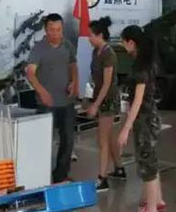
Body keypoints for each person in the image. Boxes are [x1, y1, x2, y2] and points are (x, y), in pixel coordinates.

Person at [118, 25, 165, 212]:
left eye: (123, 41)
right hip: (150, 116)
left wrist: (126, 128)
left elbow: (137, 100)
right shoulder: (147, 61)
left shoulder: (140, 66)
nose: (122, 45)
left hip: (144, 119)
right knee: (150, 160)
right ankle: (157, 201)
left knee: (147, 164)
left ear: (131, 42)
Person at [26, 13, 79, 183]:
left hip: (66, 101)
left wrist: (74, 82)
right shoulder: (38, 49)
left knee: (68, 140)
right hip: (46, 103)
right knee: (44, 141)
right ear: (45, 30)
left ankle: (60, 176)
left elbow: (73, 65)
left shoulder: (67, 45)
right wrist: (42, 92)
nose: (55, 34)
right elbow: (30, 73)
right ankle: (40, 176)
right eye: (52, 30)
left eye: (58, 30)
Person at [86, 16, 125, 192]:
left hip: (108, 99)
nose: (89, 38)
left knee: (102, 140)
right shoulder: (96, 52)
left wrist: (96, 104)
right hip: (99, 96)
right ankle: (119, 168)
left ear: (100, 35)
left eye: (91, 35)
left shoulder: (109, 54)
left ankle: (102, 178)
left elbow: (107, 83)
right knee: (108, 137)